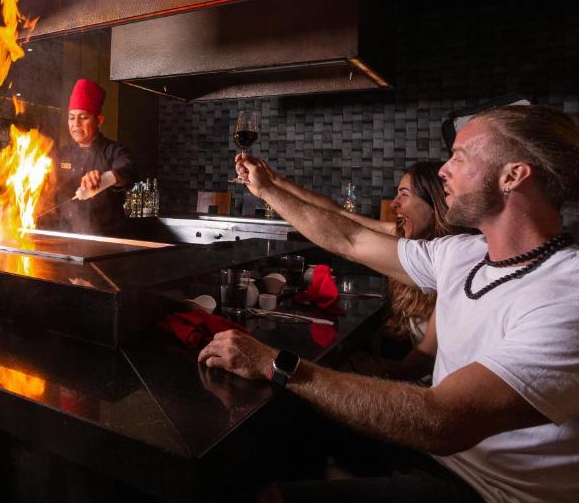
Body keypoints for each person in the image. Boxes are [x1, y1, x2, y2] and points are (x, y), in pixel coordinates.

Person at [201, 105, 579, 502]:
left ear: (513, 176)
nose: (443, 170)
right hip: (433, 455)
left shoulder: (567, 291)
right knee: (280, 425)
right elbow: (349, 239)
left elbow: (442, 420)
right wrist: (267, 189)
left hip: (487, 490)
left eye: (459, 157)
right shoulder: (463, 253)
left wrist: (274, 363)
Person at [269, 160, 472, 379]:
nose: (393, 205)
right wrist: (274, 180)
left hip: (432, 385)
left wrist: (376, 376)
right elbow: (340, 215)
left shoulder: (453, 261)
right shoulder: (407, 241)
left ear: (434, 203)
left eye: (404, 194)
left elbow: (424, 360)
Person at [52, 78, 137, 235]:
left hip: (103, 241)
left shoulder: (114, 152)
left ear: (99, 120)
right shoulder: (61, 154)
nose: (76, 124)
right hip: (65, 237)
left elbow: (128, 169)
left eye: (83, 117)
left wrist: (106, 177)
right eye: (71, 117)